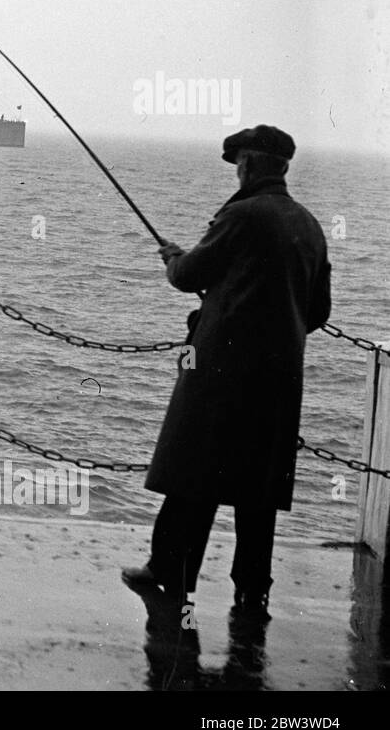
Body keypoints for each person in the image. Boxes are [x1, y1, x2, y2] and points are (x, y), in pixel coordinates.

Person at [122, 125, 331, 618]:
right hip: (279, 379)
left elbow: (190, 275)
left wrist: (173, 257)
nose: (236, 169)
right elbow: (317, 312)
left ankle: (170, 572)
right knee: (258, 488)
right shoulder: (309, 224)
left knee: (195, 472)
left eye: (239, 162)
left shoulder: (242, 214)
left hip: (221, 375)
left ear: (253, 165)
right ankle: (253, 587)